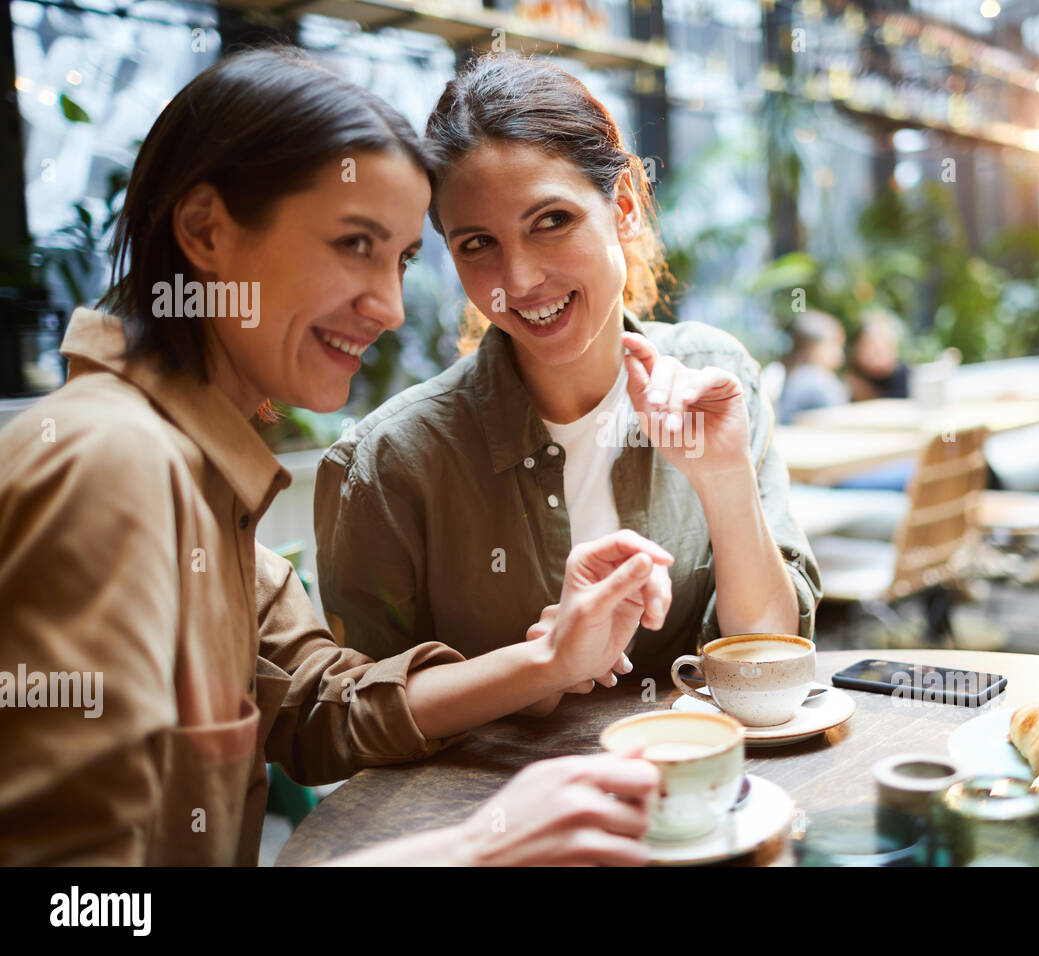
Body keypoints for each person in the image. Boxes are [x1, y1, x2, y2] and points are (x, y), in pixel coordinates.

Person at [0, 48, 665, 866]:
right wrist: (474, 850)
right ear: (206, 231)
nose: (387, 308)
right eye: (354, 245)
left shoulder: (201, 473)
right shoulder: (113, 465)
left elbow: (324, 709)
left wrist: (551, 659)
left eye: (402, 261)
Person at [314, 53, 820, 705]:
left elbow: (767, 663)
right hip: (500, 806)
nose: (519, 280)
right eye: (477, 245)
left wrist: (723, 481)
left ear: (626, 206)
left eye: (551, 221)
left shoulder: (713, 377)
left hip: (708, 789)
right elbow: (360, 720)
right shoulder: (390, 464)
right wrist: (539, 669)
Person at [775, 309, 849, 424]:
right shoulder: (817, 380)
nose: (840, 353)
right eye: (834, 345)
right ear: (812, 348)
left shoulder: (797, 375)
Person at [846, 308, 909, 402]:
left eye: (881, 347)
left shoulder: (907, 379)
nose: (874, 355)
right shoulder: (852, 378)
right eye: (869, 347)